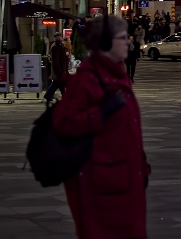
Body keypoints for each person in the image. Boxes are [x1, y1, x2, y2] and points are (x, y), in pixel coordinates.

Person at [53, 14, 150, 239]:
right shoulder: (88, 79)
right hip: (101, 186)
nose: (128, 42)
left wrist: (142, 167)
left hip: (127, 180)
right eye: (122, 37)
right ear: (105, 43)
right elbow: (64, 123)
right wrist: (101, 112)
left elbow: (127, 130)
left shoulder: (118, 76)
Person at [45, 32, 69, 103]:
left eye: (61, 36)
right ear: (56, 37)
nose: (61, 38)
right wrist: (59, 70)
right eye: (59, 37)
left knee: (56, 84)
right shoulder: (55, 46)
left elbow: (62, 56)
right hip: (59, 70)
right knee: (60, 84)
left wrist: (66, 57)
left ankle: (48, 95)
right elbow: (55, 60)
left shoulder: (60, 45)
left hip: (62, 69)